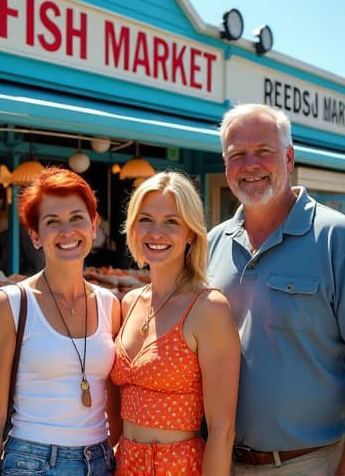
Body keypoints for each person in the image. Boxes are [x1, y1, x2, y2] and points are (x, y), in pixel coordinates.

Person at [207, 103, 345, 475]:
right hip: (220, 460)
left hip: (309, 463)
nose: (250, 165)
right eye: (237, 155)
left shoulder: (338, 239)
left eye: (264, 151)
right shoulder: (213, 243)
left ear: (289, 157)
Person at [0, 168, 121, 476]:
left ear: (93, 226)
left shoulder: (110, 303)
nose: (67, 231)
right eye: (52, 222)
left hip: (100, 459)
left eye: (77, 218)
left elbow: (114, 401)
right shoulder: (13, 302)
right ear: (35, 236)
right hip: (32, 461)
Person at [111, 171, 240, 475]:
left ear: (191, 233)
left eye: (171, 222)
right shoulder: (128, 303)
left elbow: (223, 428)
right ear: (132, 228)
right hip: (124, 464)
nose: (156, 232)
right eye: (145, 219)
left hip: (178, 467)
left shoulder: (208, 307)